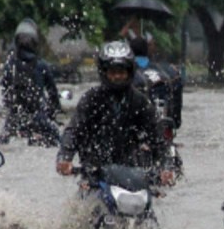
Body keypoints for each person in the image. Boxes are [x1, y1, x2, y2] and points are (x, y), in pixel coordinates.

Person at [56, 41, 173, 186]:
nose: (117, 76)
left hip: (132, 173)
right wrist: (65, 158)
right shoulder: (91, 99)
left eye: (121, 72)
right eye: (112, 72)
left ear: (129, 72)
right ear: (104, 72)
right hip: (95, 174)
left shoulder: (140, 102)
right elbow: (73, 130)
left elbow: (158, 138)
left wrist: (166, 167)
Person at [0, 19, 61, 146]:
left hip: (15, 118)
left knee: (2, 142)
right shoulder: (42, 65)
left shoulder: (10, 65)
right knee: (60, 140)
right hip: (38, 117)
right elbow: (53, 93)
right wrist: (54, 112)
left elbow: (5, 92)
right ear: (35, 42)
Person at [129, 36, 183, 131]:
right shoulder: (168, 71)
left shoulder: (127, 73)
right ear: (147, 51)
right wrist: (176, 121)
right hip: (166, 124)